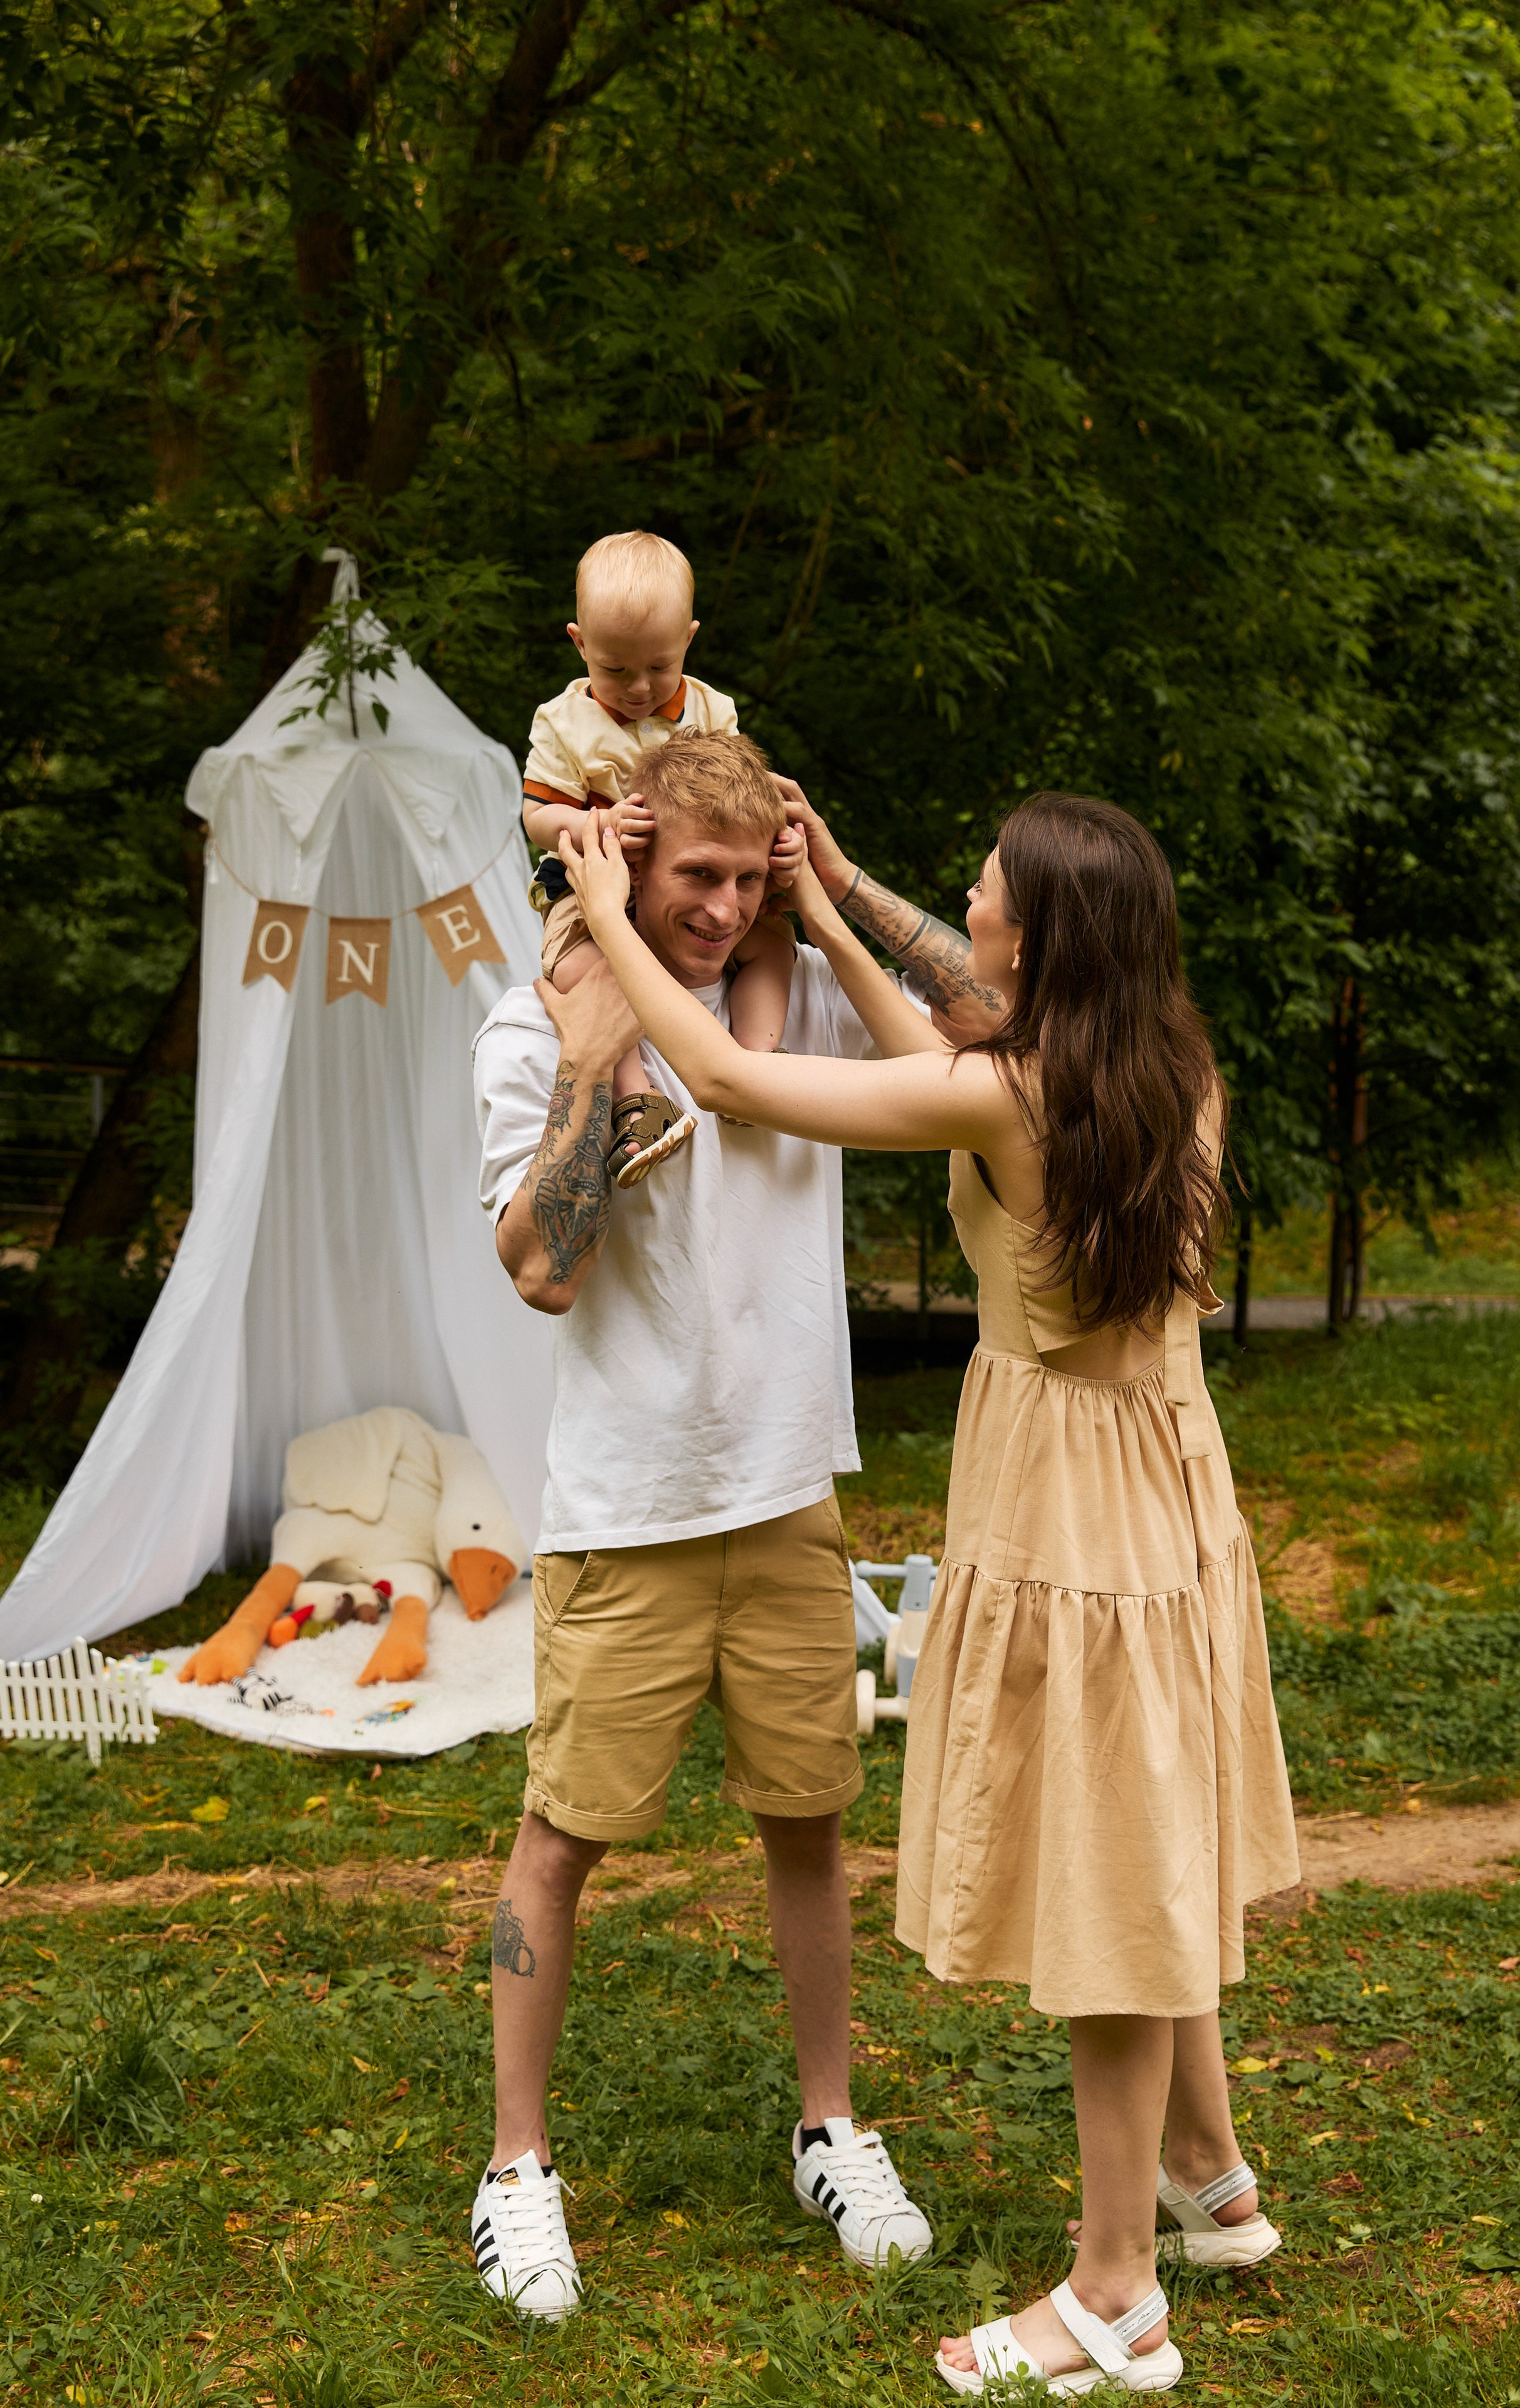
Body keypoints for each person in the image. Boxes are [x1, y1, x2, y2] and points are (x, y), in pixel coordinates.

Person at [561, 789, 1302, 2399]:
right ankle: (1208, 2174)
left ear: (1028, 937)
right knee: (1153, 1831)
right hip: (1170, 1491)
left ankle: (1113, 2293)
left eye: (981, 885)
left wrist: (598, 908)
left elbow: (734, 1075)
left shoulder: (1009, 1092)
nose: (961, 897)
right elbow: (949, 1068)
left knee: (1105, 1884)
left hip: (1070, 1511)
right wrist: (823, 908)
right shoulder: (1162, 1069)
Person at [468, 727, 932, 2320]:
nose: (723, 909)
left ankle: (831, 2122)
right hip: (631, 1510)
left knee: (809, 1821)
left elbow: (986, 1034)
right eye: (696, 877)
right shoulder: (530, 1025)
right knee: (561, 1840)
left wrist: (836, 883)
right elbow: (540, 1266)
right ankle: (516, 2168)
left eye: (748, 880)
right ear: (627, 859)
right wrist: (599, 1048)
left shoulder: (799, 1000)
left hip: (789, 1495)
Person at [520, 529, 799, 1185]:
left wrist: (777, 837)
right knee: (584, 971)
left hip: (689, 881)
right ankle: (637, 1097)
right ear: (579, 642)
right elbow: (536, 817)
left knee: (772, 943)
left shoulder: (711, 709)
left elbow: (741, 802)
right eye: (615, 669)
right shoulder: (562, 722)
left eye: (659, 667)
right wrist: (599, 821)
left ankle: (754, 1066)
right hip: (589, 882)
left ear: (689, 642)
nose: (640, 688)